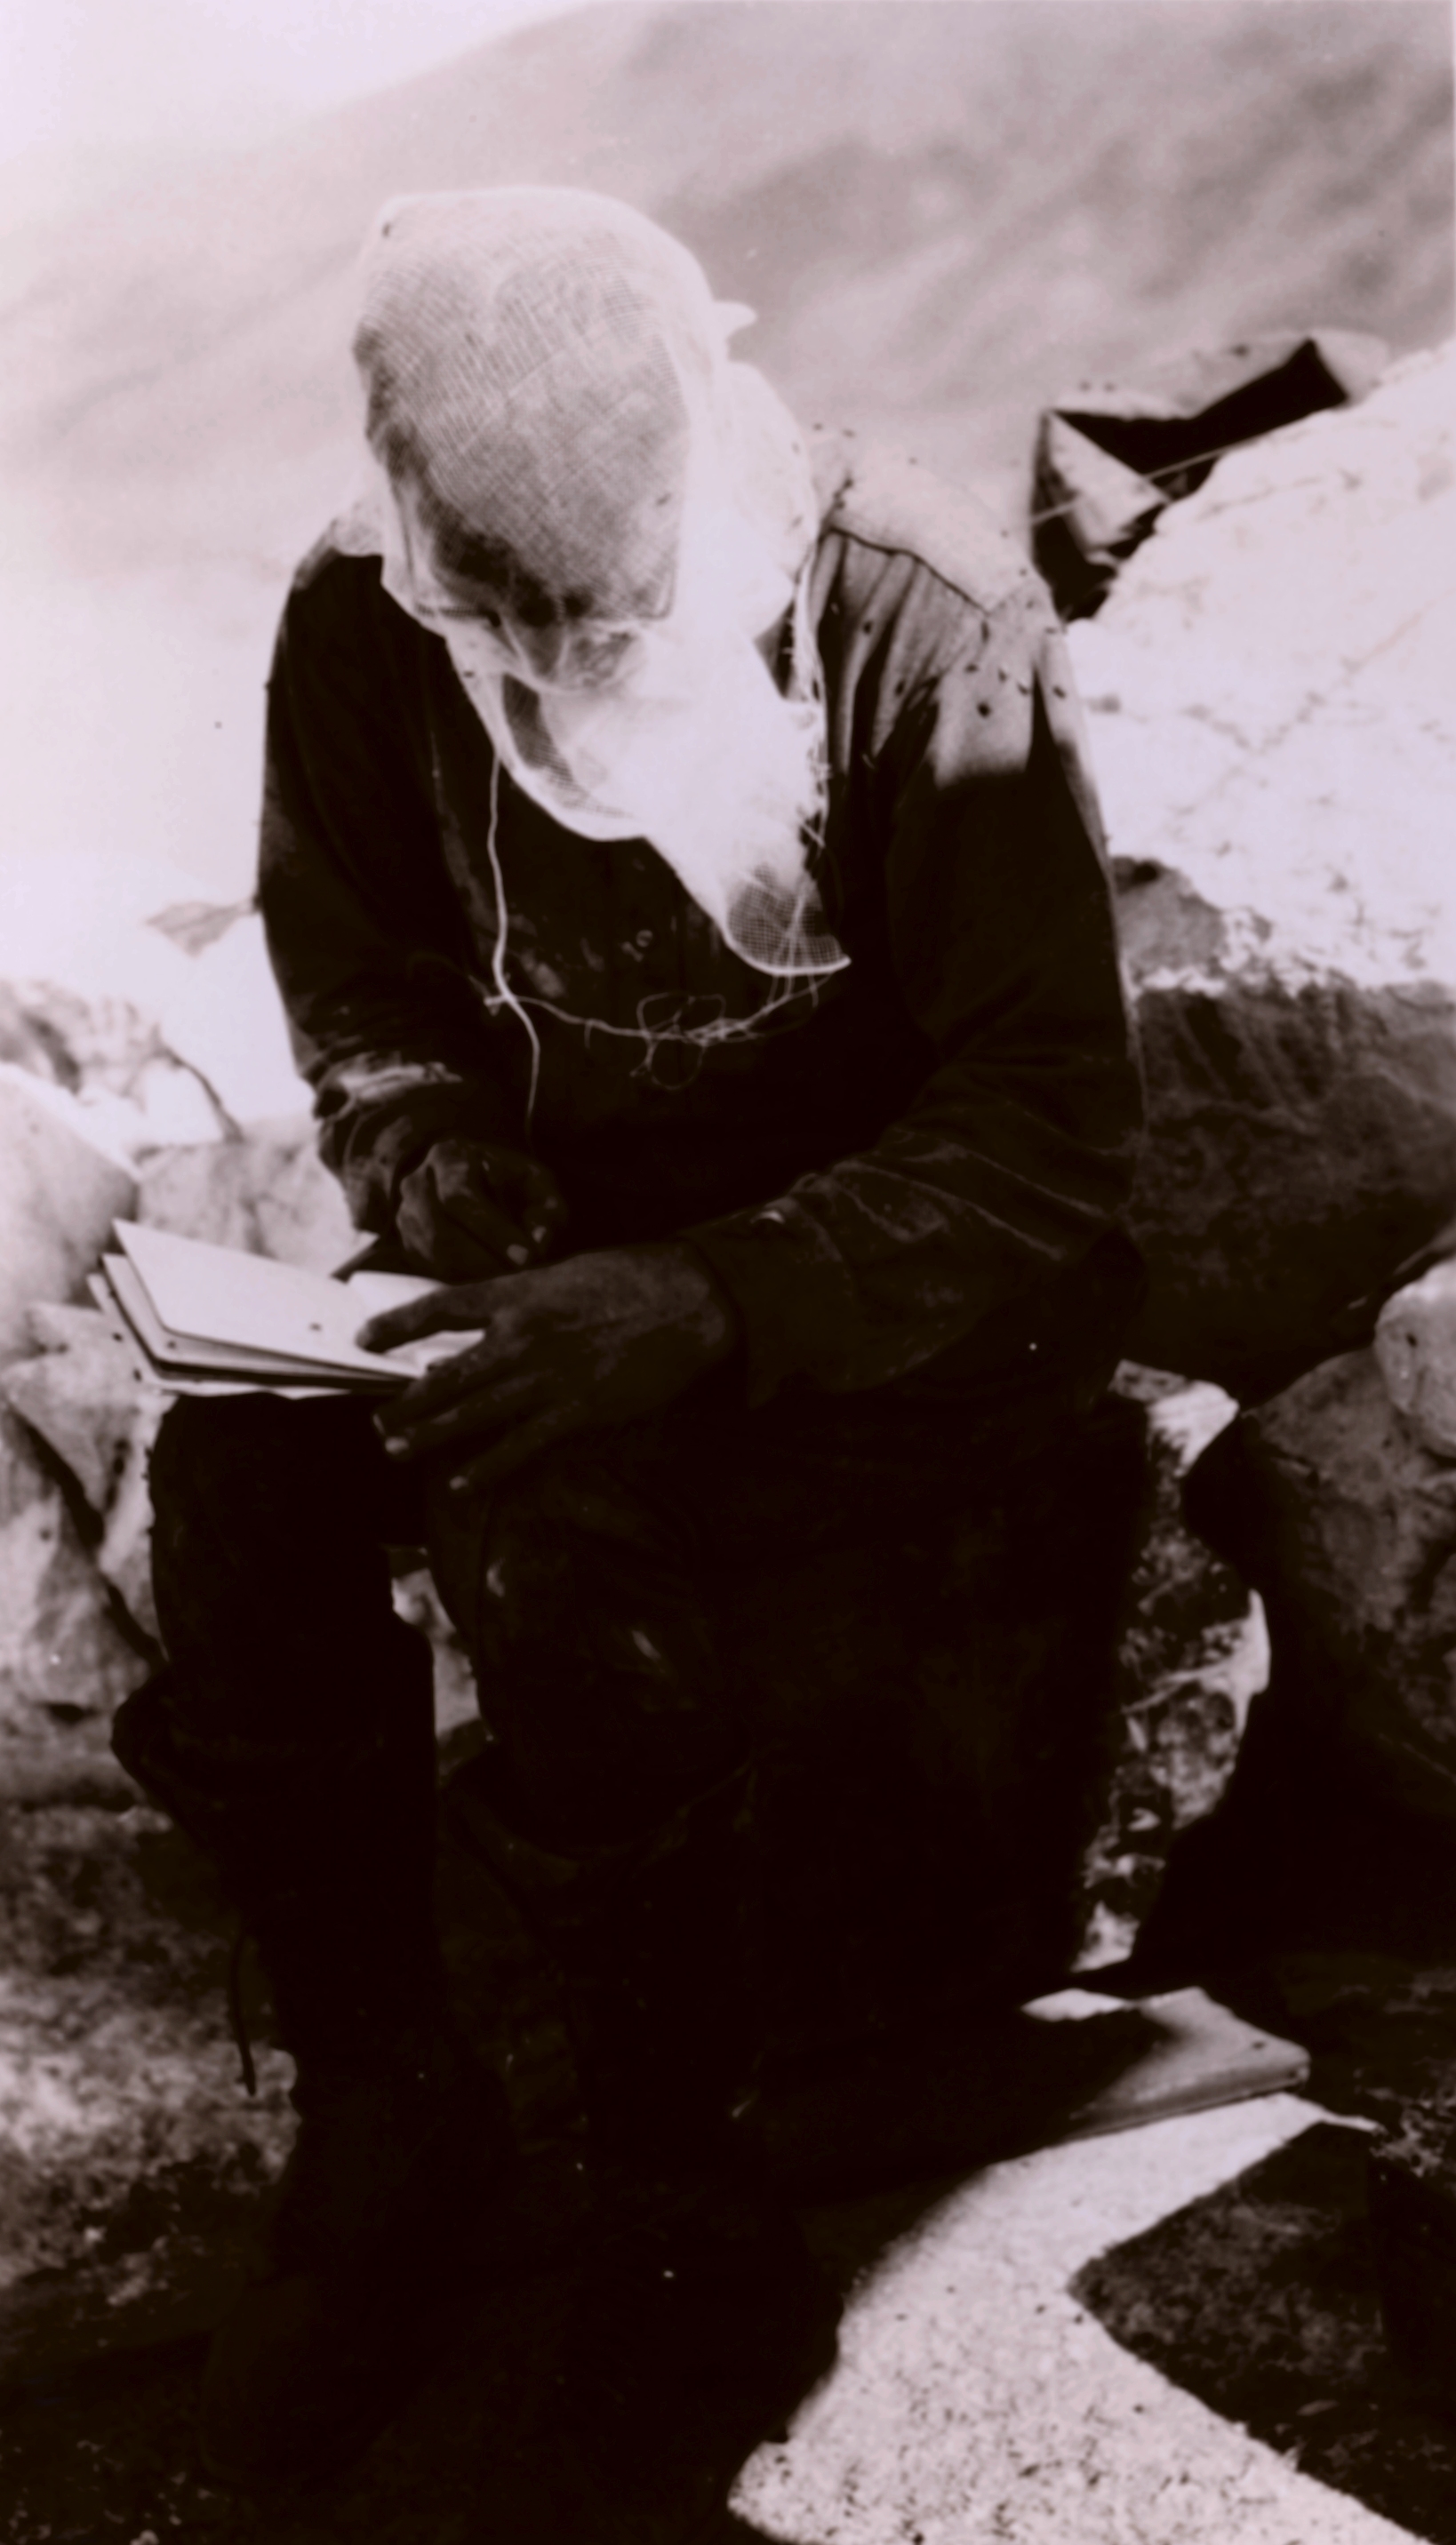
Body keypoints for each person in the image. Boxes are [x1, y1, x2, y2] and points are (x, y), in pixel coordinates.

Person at [112, 188, 1145, 2514]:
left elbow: (1047, 1130)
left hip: (904, 1310)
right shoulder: (361, 623)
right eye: (514, 624)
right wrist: (443, 1177)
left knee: (559, 1541)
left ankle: (684, 2212)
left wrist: (704, 1301)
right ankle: (398, 2115)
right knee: (244, 1472)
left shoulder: (914, 617)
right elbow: (362, 991)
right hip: (563, 1267)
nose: (562, 667)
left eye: (613, 617)